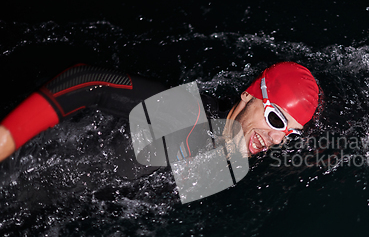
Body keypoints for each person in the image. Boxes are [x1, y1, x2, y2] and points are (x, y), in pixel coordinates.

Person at [0, 61, 320, 164]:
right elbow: (88, 81)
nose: (276, 139)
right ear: (250, 95)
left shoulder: (223, 158)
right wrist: (6, 138)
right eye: (276, 119)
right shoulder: (189, 113)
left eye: (288, 132)